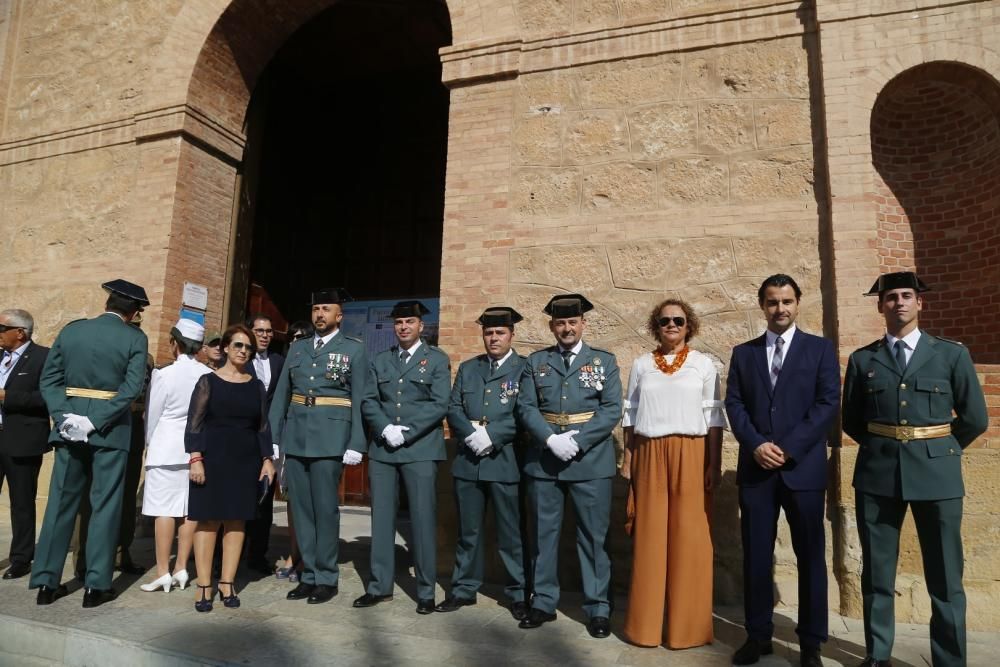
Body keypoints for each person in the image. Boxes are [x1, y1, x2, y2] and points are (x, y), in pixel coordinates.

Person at [843, 271, 988, 667]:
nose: (899, 303)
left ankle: (949, 659)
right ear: (880, 306)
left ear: (920, 303)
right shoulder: (863, 359)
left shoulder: (951, 354)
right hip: (878, 474)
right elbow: (852, 420)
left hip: (937, 476)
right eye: (891, 297)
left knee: (945, 576)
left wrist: (940, 450)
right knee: (877, 571)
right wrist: (885, 444)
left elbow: (975, 417)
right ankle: (877, 655)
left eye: (907, 296)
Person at [725, 274, 840, 667]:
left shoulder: (820, 350)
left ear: (797, 303)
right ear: (762, 305)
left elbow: (827, 404)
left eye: (787, 301)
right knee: (756, 556)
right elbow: (734, 404)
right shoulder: (744, 353)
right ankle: (758, 636)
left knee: (811, 557)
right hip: (757, 472)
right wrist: (756, 444)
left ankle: (811, 643)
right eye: (773, 302)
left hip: (803, 471)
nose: (780, 309)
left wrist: (788, 449)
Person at [29, 279, 150, 608]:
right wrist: (95, 421)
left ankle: (46, 583)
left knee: (59, 506)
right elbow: (131, 389)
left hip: (68, 429)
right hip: (109, 432)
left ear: (108, 304)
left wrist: (64, 416)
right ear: (134, 312)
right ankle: (96, 586)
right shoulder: (135, 338)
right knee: (105, 507)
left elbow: (49, 379)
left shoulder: (72, 331)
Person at [515, 293, 622, 638]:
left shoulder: (603, 362)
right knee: (544, 537)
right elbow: (526, 407)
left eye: (572, 322)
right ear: (552, 326)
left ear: (583, 325)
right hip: (545, 461)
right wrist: (549, 439)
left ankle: (598, 607)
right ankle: (543, 602)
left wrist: (577, 440)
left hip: (590, 461)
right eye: (560, 323)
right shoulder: (536, 362)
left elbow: (611, 409)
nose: (566, 329)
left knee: (593, 538)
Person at [621, 299, 724, 649]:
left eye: (678, 320)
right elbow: (631, 413)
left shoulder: (702, 364)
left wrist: (713, 462)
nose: (671, 325)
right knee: (650, 541)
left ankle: (688, 630)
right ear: (656, 325)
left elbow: (713, 417)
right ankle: (644, 628)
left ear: (688, 325)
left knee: (690, 541)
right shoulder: (641, 365)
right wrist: (628, 458)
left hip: (692, 452)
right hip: (649, 453)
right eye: (664, 320)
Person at [268, 288, 367, 604]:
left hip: (330, 440)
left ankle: (326, 577)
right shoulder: (297, 349)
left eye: (326, 309)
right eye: (316, 309)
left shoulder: (353, 350)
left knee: (325, 511)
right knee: (301, 509)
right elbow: (282, 394)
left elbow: (361, 399)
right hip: (296, 438)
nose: (319, 314)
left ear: (339, 316)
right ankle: (308, 574)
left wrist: (357, 442)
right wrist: (273, 436)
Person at [357, 300, 450, 615]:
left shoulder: (436, 360)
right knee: (381, 520)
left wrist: (406, 433)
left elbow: (440, 404)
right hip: (384, 449)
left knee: (423, 520)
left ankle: (425, 591)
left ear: (421, 326)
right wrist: (385, 429)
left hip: (420, 449)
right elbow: (369, 399)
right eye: (399, 323)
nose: (404, 327)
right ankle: (379, 586)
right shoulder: (380, 360)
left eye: (410, 321)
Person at [438, 307, 528, 619]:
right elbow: (453, 407)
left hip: (505, 460)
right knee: (468, 532)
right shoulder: (469, 368)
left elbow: (526, 412)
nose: (493, 338)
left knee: (510, 534)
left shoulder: (524, 368)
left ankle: (517, 592)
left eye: (500, 332)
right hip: (469, 460)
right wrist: (470, 433)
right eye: (489, 333)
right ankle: (463, 589)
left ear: (511, 335)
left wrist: (492, 436)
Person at [186, 324, 276, 612]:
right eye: (238, 345)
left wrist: (267, 459)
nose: (243, 351)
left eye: (248, 347)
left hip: (245, 461)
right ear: (225, 347)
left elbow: (263, 425)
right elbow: (195, 423)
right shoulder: (207, 381)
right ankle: (203, 584)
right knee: (208, 521)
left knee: (237, 521)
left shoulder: (256, 385)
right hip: (212, 459)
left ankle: (227, 582)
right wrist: (196, 458)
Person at [73, 311, 152, 581]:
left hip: (131, 428)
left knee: (127, 495)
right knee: (90, 497)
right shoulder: (98, 350)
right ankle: (83, 560)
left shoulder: (146, 358)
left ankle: (121, 552)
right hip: (99, 426)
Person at [138, 318, 212, 592]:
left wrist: (149, 443)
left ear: (175, 343)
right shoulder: (207, 374)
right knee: (187, 511)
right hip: (196, 452)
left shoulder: (164, 374)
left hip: (166, 448)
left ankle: (162, 571)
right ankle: (181, 566)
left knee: (163, 511)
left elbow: (153, 414)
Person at [0, 309, 50, 580]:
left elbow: (47, 397)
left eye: (1, 328)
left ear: (19, 332)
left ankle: (21, 558)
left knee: (21, 502)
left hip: (22, 440)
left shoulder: (44, 357)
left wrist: (8, 396)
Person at [245, 314, 285, 574]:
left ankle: (258, 556)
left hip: (267, 440)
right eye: (259, 330)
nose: (264, 335)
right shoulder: (238, 359)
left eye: (268, 331)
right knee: (235, 498)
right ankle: (222, 558)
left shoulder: (279, 362)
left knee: (264, 501)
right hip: (240, 438)